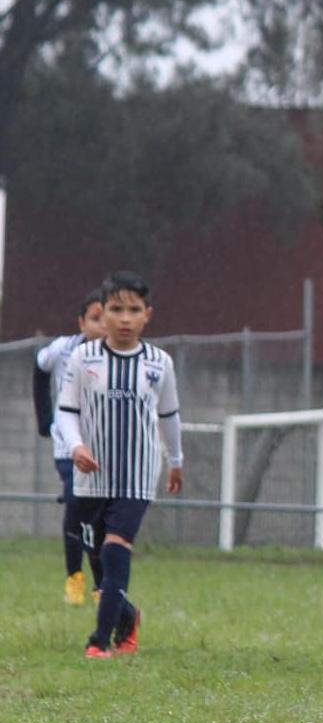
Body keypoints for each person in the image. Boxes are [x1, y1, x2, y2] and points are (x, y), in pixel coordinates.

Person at [55, 271, 184, 659]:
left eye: (134, 310)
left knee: (115, 549)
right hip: (92, 475)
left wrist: (176, 460)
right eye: (116, 309)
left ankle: (99, 641)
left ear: (148, 314)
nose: (125, 319)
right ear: (103, 312)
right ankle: (128, 617)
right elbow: (67, 411)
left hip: (137, 475)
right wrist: (76, 446)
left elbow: (169, 416)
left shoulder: (159, 363)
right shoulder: (83, 358)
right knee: (98, 558)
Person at [34, 287, 108, 605]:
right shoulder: (63, 349)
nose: (102, 325)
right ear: (81, 322)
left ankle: (101, 584)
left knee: (99, 514)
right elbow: (39, 367)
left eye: (107, 318)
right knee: (77, 504)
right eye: (95, 318)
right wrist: (44, 419)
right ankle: (74, 577)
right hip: (68, 447)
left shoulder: (120, 356)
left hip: (103, 447)